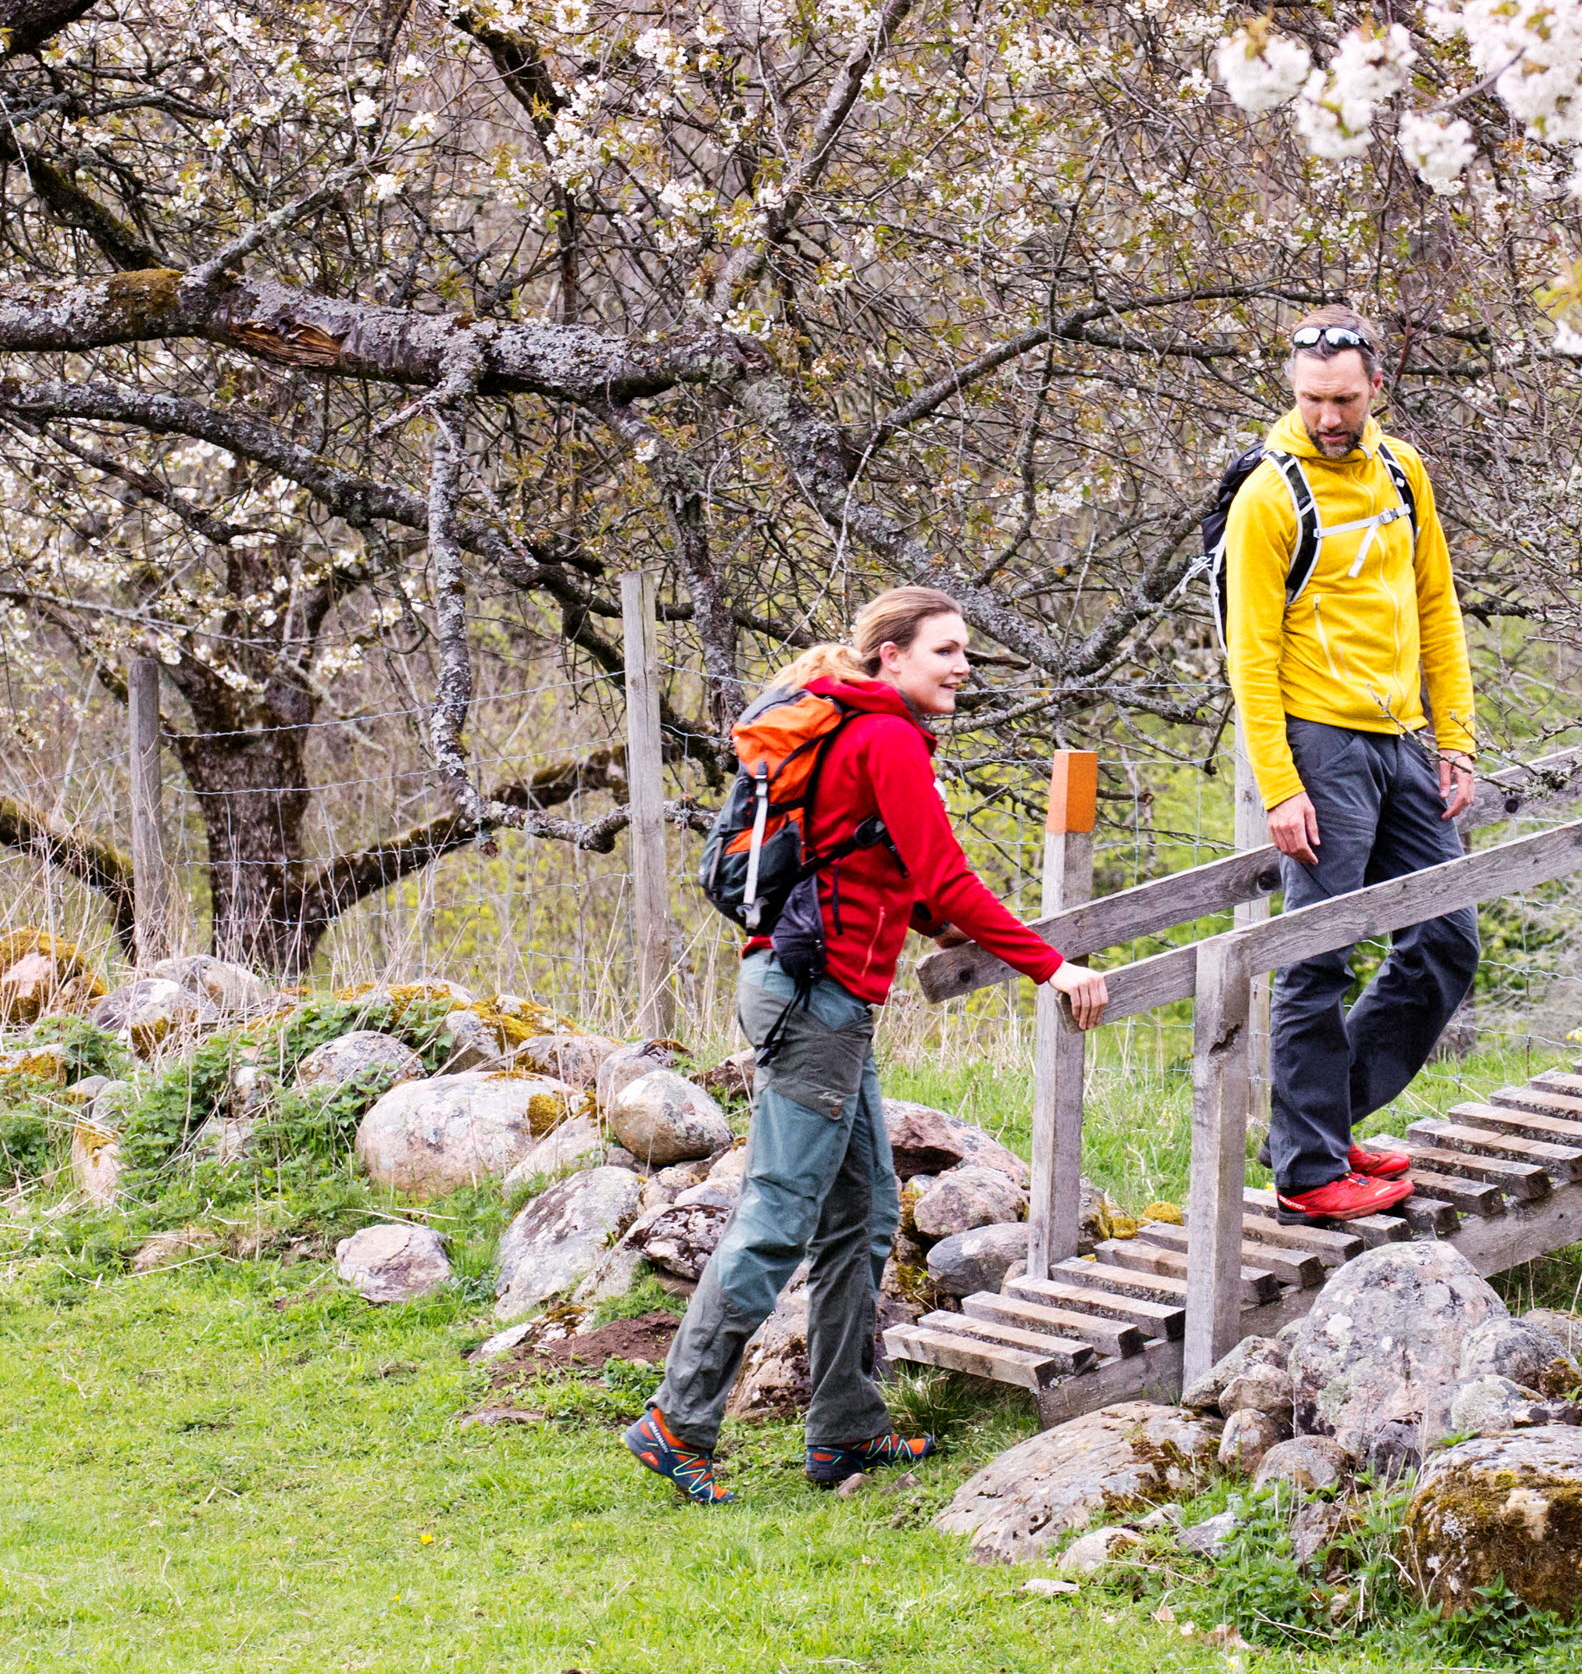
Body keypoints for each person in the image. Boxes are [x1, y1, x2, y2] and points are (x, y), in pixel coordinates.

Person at [624, 587, 1111, 1504]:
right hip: (813, 1001)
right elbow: (948, 877)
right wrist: (1052, 966)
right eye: (946, 651)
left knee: (866, 1209)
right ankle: (676, 1420)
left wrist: (930, 922)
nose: (963, 667)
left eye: (965, 651)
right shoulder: (884, 736)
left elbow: (891, 872)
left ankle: (845, 1429)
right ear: (892, 655)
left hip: (825, 995)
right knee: (777, 1216)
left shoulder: (866, 730)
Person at [1223, 306, 1479, 1220]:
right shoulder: (1269, 493)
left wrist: (1457, 737)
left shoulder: (1405, 472)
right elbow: (1248, 655)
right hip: (1317, 744)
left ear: (1376, 386)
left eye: (1342, 398)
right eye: (1309, 400)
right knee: (1316, 957)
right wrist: (1281, 787)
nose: (1327, 416)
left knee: (1447, 937)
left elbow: (1437, 607)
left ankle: (1321, 1122)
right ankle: (1307, 1173)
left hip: (1402, 738)